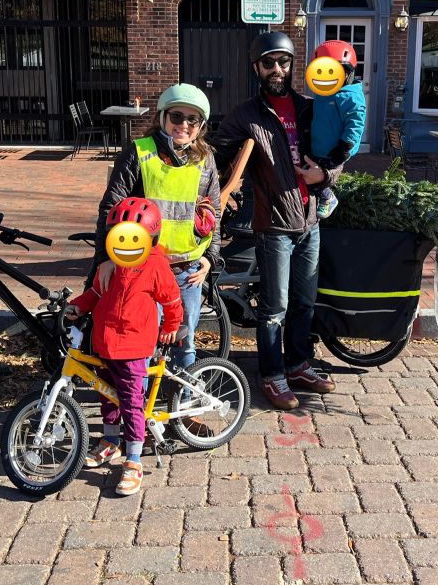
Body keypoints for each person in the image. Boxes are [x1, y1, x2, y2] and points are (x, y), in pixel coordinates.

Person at [213, 31, 340, 410]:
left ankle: (298, 364)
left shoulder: (308, 108)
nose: (277, 70)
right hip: (274, 226)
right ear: (257, 67)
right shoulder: (245, 116)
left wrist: (327, 176)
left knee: (305, 302)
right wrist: (221, 192)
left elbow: (337, 153)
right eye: (268, 62)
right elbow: (215, 159)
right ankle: (272, 375)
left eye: (283, 62)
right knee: (275, 307)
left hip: (310, 220)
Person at [92, 83, 221, 370]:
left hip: (187, 271)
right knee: (142, 343)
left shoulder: (205, 159)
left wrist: (210, 257)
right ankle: (140, 407)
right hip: (144, 269)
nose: (183, 125)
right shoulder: (138, 153)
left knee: (184, 341)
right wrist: (105, 258)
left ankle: (181, 404)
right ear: (162, 117)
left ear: (201, 125)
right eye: (176, 117)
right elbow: (110, 208)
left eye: (192, 120)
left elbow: (214, 212)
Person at [68, 197, 183, 496]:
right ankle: (110, 441)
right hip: (105, 342)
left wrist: (171, 327)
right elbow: (94, 292)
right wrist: (78, 307)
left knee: (132, 403)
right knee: (106, 394)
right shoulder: (110, 265)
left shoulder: (156, 265)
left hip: (134, 345)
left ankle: (133, 459)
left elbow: (171, 300)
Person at [305, 40, 367, 219]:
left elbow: (356, 122)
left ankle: (328, 198)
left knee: (317, 180)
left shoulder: (349, 96)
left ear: (347, 73)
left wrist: (345, 147)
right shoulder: (325, 93)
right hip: (318, 149)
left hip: (334, 151)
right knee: (305, 174)